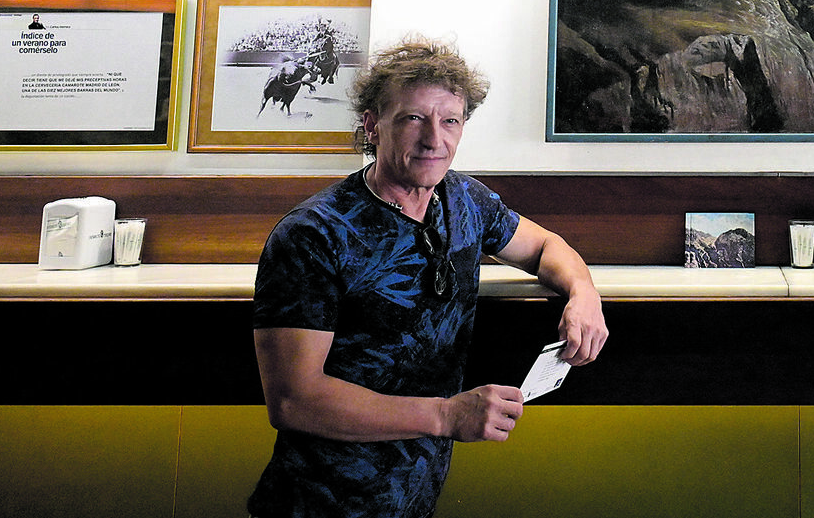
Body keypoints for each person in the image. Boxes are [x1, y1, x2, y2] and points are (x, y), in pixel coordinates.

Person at [249, 37, 607, 518]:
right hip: (322, 500)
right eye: (413, 118)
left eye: (450, 121)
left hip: (417, 493)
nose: (434, 139)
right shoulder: (313, 234)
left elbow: (545, 247)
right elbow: (294, 400)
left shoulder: (464, 200)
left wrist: (583, 293)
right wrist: (446, 415)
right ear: (372, 126)